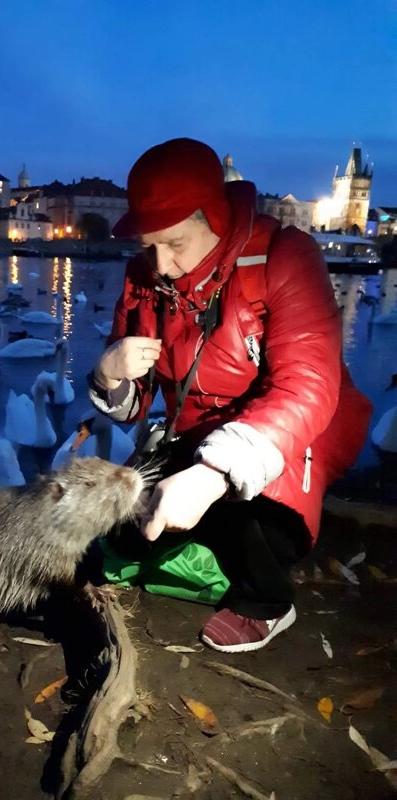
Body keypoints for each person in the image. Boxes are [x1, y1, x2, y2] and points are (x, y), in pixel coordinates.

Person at [89, 137, 372, 653]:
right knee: (126, 534)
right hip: (197, 431)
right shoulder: (145, 278)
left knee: (243, 513)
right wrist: (108, 373)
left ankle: (269, 602)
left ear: (213, 217)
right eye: (148, 245)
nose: (161, 263)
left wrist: (213, 473)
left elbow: (306, 385)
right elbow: (136, 406)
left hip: (292, 431)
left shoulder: (284, 255)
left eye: (175, 242)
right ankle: (208, 533)